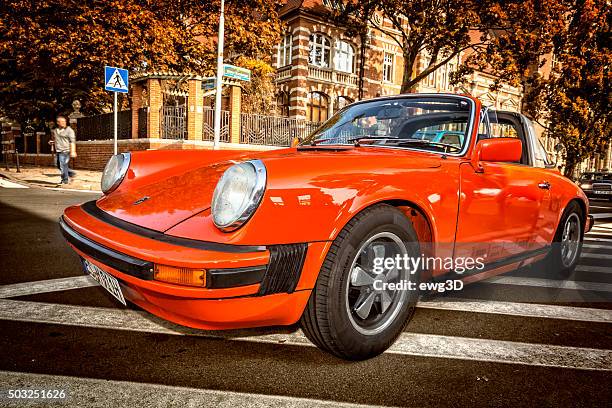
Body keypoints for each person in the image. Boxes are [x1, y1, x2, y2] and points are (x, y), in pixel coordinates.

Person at [52, 115, 77, 184]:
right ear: (58, 123)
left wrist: (73, 151)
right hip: (58, 151)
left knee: (63, 165)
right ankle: (71, 173)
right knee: (57, 164)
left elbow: (72, 142)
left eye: (64, 121)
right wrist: (52, 142)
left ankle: (65, 180)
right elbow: (56, 139)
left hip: (65, 151)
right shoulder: (56, 130)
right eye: (61, 122)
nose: (63, 123)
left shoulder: (69, 130)